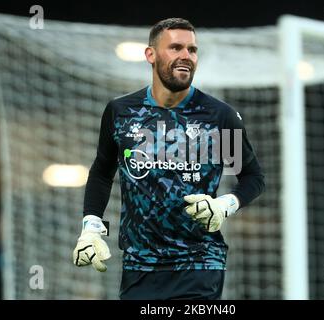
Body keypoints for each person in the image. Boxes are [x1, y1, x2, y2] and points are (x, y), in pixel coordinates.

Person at [72, 18, 264, 300]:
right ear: (151, 55)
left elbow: (252, 177)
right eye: (175, 48)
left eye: (192, 49)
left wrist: (224, 205)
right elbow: (102, 172)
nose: (186, 56)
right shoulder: (120, 111)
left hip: (200, 264)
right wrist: (91, 228)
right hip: (139, 266)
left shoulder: (219, 116)